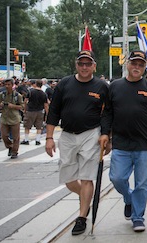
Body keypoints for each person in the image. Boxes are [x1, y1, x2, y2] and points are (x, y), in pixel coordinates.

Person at [100, 50, 147, 232]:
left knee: (142, 183)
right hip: (121, 143)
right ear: (127, 64)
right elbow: (107, 113)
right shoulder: (114, 86)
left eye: (141, 64)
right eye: (134, 63)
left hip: (145, 144)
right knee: (117, 178)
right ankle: (129, 199)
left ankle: (138, 217)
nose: (137, 67)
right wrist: (105, 133)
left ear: (145, 66)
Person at [45, 50, 109, 235]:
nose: (84, 67)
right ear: (76, 65)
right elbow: (54, 111)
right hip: (67, 135)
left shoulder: (101, 86)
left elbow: (107, 114)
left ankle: (81, 217)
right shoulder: (65, 84)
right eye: (81, 63)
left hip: (91, 134)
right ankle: (85, 200)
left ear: (94, 66)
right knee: (68, 179)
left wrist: (107, 136)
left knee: (87, 177)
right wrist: (49, 138)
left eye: (88, 64)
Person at [0, 78, 24, 159]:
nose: (7, 86)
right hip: (4, 118)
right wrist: (0, 105)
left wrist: (13, 106)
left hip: (14, 118)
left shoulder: (17, 95)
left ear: (12, 85)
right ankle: (10, 146)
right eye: (6, 84)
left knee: (16, 137)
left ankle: (14, 152)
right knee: (4, 135)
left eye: (9, 84)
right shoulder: (2, 94)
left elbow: (22, 106)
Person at [21, 80, 48, 146]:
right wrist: (47, 113)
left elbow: (25, 101)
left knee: (27, 126)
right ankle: (37, 140)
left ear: (35, 84)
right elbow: (46, 104)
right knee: (39, 126)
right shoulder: (44, 94)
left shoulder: (30, 91)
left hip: (30, 111)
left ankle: (26, 140)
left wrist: (24, 109)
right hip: (40, 111)